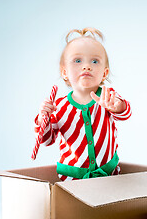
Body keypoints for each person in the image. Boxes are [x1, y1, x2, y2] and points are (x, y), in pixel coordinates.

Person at [34, 28, 132, 181]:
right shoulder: (59, 106)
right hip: (72, 176)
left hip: (109, 175)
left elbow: (125, 114)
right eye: (78, 60)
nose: (87, 66)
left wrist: (117, 106)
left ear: (104, 73)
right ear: (64, 72)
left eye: (94, 61)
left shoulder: (107, 96)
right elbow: (46, 140)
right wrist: (42, 118)